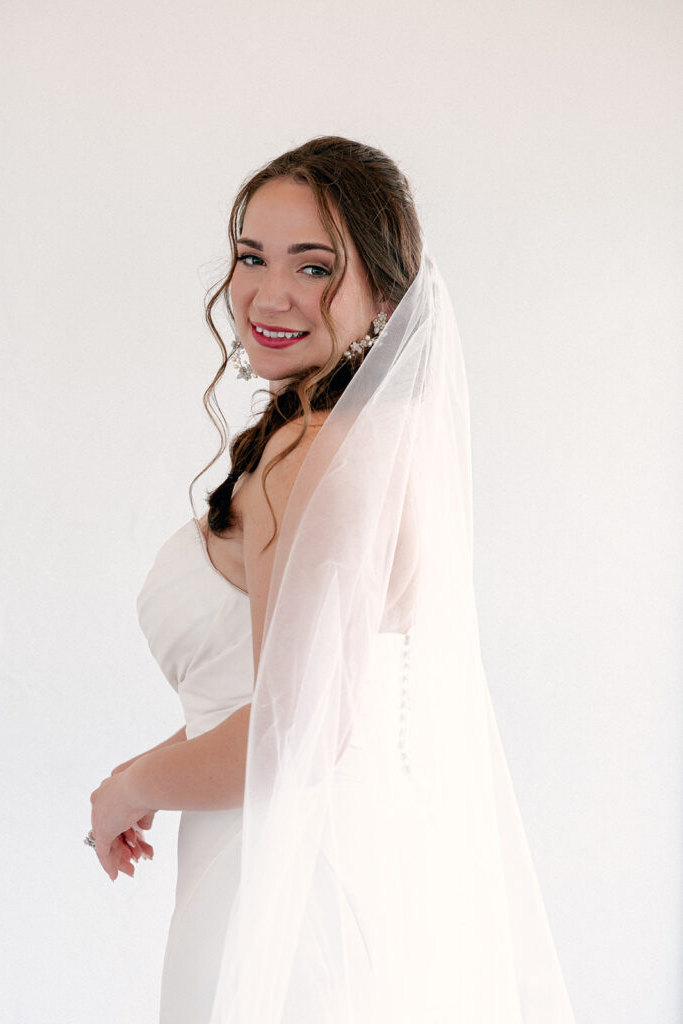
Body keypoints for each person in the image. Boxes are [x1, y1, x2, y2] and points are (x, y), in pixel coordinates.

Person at [88, 136, 576, 1023]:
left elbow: (285, 738)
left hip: (282, 878)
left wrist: (125, 788)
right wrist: (167, 760)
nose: (269, 295)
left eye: (314, 267)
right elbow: (279, 689)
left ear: (386, 294)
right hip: (376, 862)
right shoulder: (385, 445)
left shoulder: (305, 452)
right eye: (250, 257)